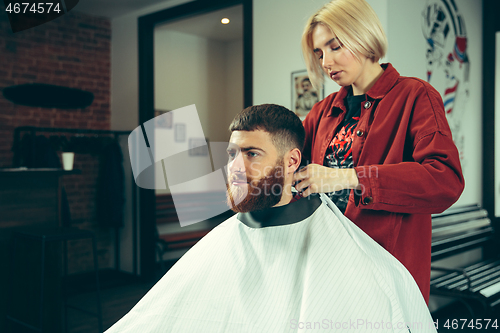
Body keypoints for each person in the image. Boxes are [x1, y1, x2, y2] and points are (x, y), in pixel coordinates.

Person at [105, 104, 437, 333]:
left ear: (292, 161)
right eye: (232, 154)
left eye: (251, 154)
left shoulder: (341, 248)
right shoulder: (223, 240)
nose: (235, 166)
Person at [294, 0, 464, 303]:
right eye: (319, 53)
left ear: (362, 35)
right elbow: (290, 167)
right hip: (324, 268)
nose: (325, 62)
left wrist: (349, 178)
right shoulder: (322, 112)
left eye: (334, 47)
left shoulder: (415, 96)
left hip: (385, 277)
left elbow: (445, 181)